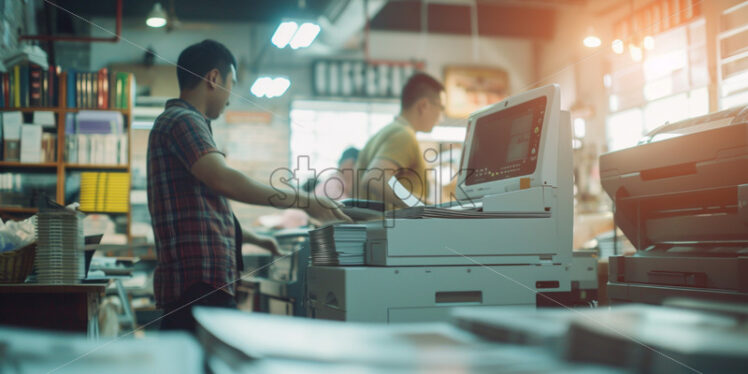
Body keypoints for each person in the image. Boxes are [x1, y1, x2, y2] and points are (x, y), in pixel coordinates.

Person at [147, 40, 350, 332]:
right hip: (198, 284)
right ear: (214, 79)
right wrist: (305, 200)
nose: (230, 98)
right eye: (232, 83)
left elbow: (202, 210)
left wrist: (253, 238)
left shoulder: (184, 123)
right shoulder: (183, 121)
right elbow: (225, 180)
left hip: (196, 283)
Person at [355, 73, 445, 209]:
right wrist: (426, 208)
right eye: (440, 108)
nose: (441, 117)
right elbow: (375, 178)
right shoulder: (403, 136)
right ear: (424, 105)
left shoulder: (382, 134)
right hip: (389, 229)